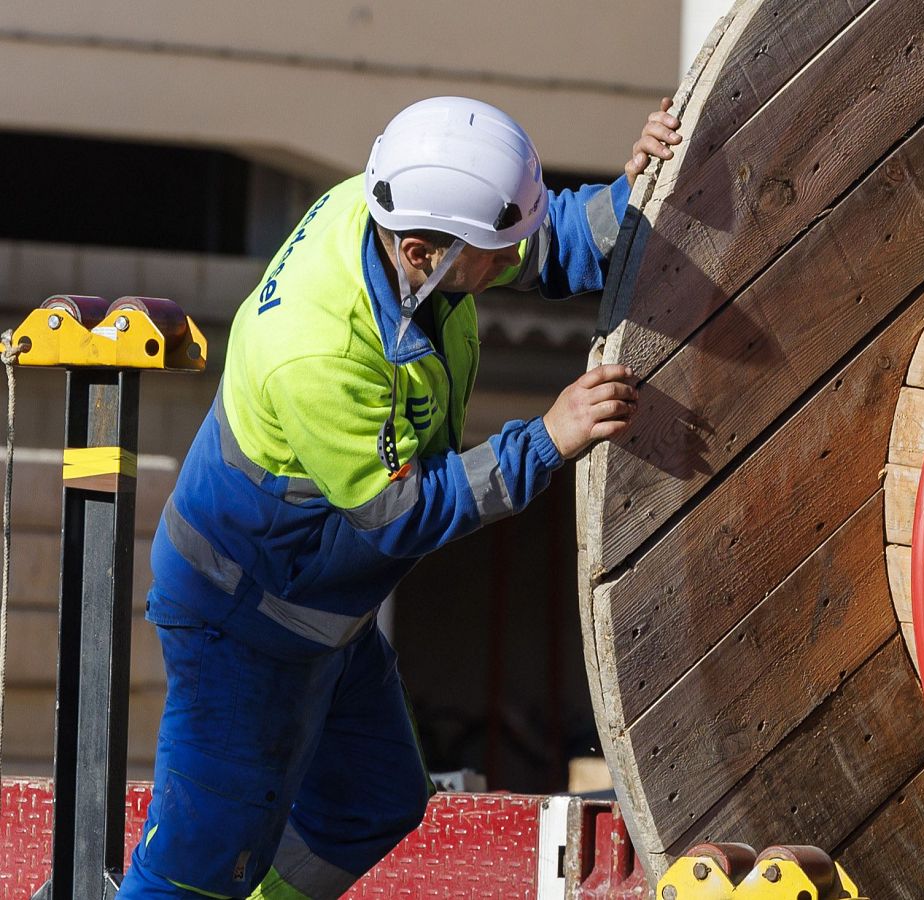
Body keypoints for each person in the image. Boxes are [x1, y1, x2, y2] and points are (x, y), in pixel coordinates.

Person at [119, 95, 683, 898]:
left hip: (320, 611)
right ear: (422, 252)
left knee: (371, 800)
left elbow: (543, 241)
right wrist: (548, 437)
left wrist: (632, 200)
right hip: (240, 620)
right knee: (198, 866)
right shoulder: (317, 350)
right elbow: (401, 514)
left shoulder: (401, 220)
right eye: (494, 254)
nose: (508, 265)